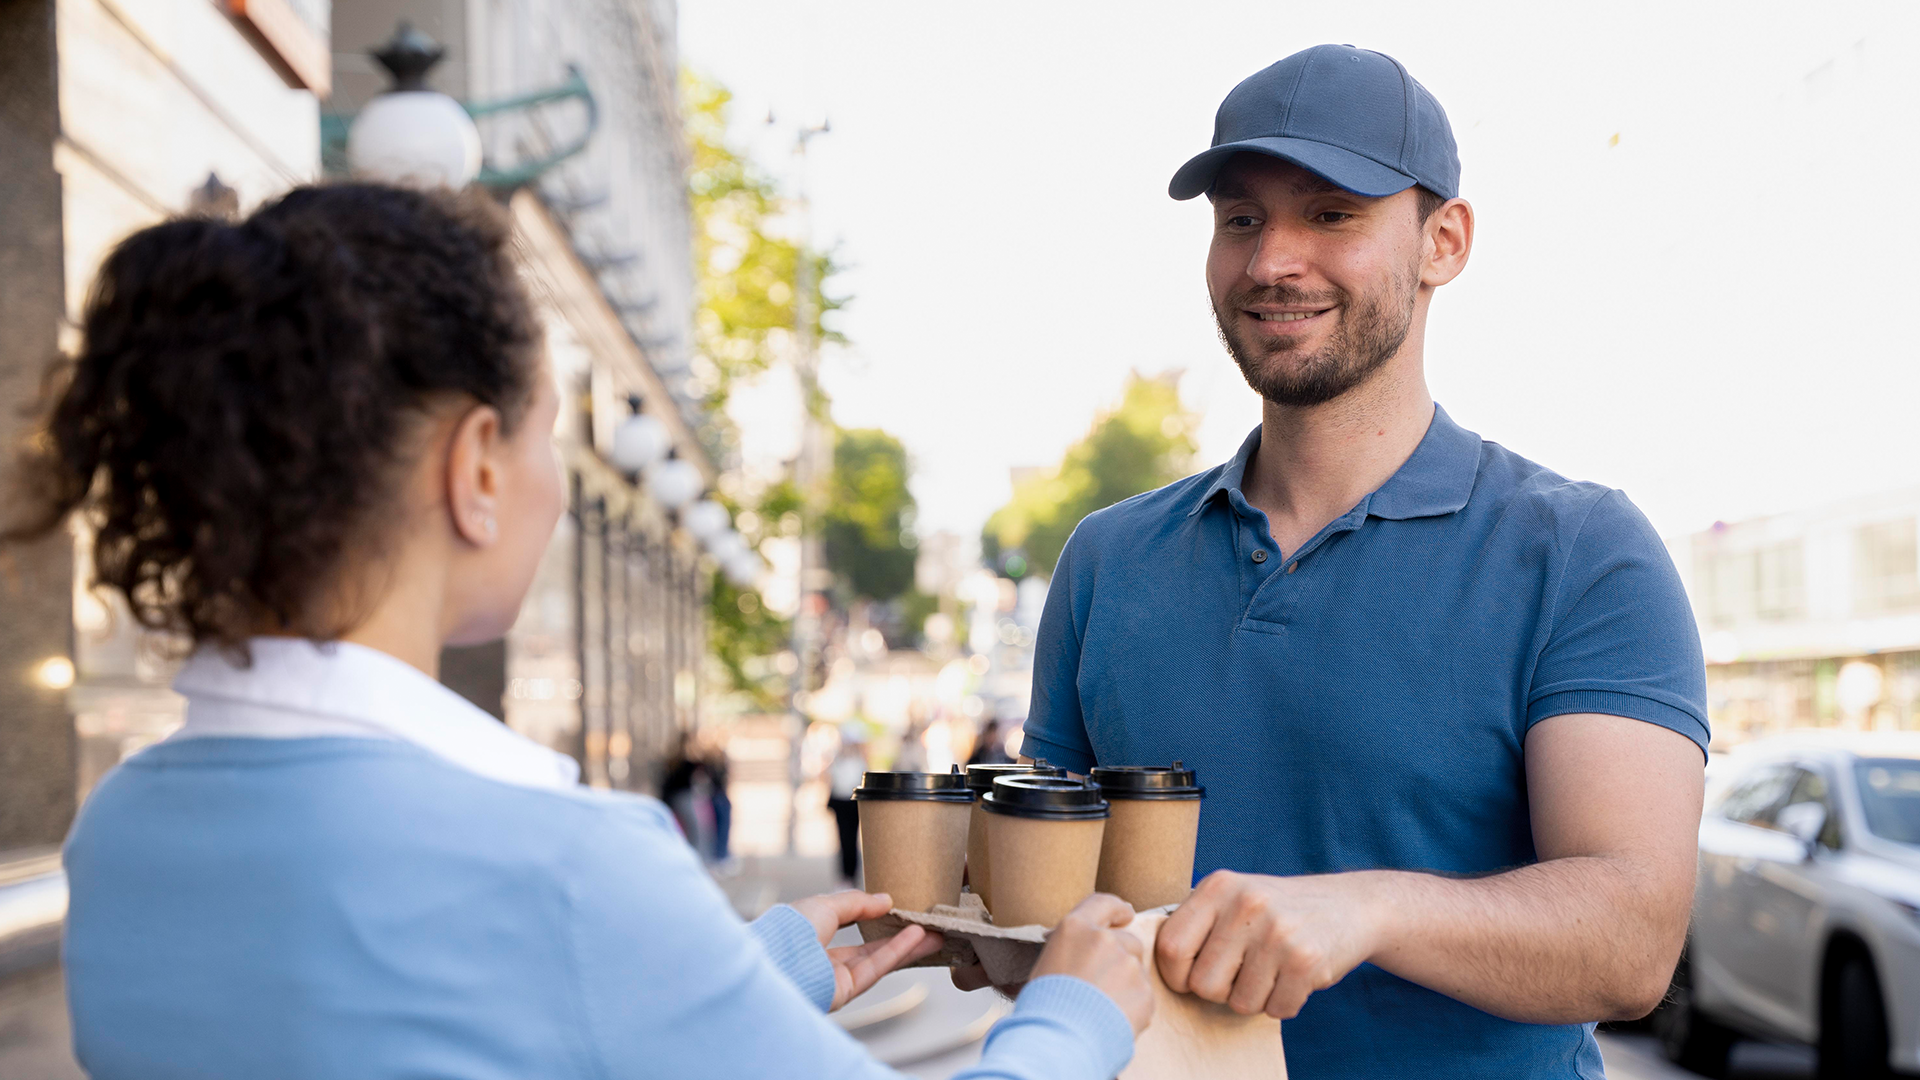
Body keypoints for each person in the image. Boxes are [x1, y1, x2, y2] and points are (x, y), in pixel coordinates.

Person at [6, 184, 1152, 1079]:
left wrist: (733, 976)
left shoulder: (117, 829)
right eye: (546, 437)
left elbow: (450, 1022)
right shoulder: (565, 861)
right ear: (476, 470)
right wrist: (1071, 1017)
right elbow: (531, 958)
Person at [1017, 45, 1708, 1079]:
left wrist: (1369, 907)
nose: (1270, 261)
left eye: (1331, 214)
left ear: (1445, 240)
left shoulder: (1582, 552)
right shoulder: (1108, 558)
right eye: (1240, 219)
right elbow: (1051, 898)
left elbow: (1632, 943)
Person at [825, 724, 869, 885]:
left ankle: (852, 874)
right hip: (841, 803)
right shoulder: (838, 759)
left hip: (853, 803)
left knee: (853, 840)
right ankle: (845, 875)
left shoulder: (861, 759)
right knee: (843, 840)